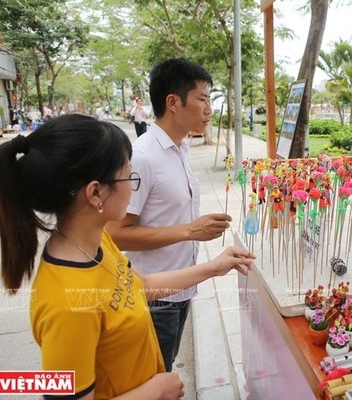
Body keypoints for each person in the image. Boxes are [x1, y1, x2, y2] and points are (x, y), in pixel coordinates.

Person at [0, 114, 255, 399]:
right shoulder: (65, 303)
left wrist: (215, 267)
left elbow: (141, 287)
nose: (133, 186)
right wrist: (154, 389)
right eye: (129, 176)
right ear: (95, 193)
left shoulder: (95, 242)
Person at [106, 58, 233, 372]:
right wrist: (190, 231)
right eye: (202, 98)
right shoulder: (143, 157)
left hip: (180, 290)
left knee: (165, 368)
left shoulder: (181, 148)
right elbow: (114, 233)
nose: (209, 108)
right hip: (154, 299)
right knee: (154, 380)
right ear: (173, 102)